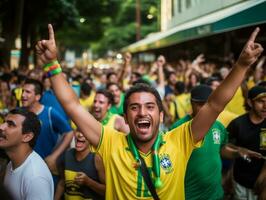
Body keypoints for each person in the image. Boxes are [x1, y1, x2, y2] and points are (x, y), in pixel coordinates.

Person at [36, 24, 263, 199]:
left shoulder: (180, 139)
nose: (142, 112)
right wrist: (52, 65)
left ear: (161, 116)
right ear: (126, 117)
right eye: (134, 107)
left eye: (150, 106)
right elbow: (73, 106)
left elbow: (214, 104)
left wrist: (242, 65)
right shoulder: (109, 141)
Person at [170, 84, 228, 200]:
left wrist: (238, 152)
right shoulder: (178, 128)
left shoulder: (219, 126)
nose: (205, 109)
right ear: (191, 103)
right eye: (200, 104)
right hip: (189, 195)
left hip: (215, 195)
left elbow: (222, 149)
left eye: (208, 105)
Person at [21, 78, 73, 176]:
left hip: (45, 168)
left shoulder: (49, 112)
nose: (23, 95)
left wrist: (54, 156)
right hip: (23, 167)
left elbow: (69, 132)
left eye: (27, 92)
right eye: (23, 91)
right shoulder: (19, 113)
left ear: (37, 96)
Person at [0, 108, 53, 199]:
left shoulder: (36, 178)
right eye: (4, 122)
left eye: (11, 124)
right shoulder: (12, 163)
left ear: (27, 137)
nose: (1, 127)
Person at [226, 85, 266, 200]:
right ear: (249, 102)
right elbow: (224, 146)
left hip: (261, 183)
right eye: (260, 102)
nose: (265, 106)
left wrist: (263, 176)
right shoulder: (238, 124)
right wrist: (230, 173)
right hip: (240, 180)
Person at [55, 129, 105, 200]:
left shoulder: (97, 158)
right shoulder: (67, 154)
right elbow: (62, 182)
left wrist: (89, 182)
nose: (80, 135)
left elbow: (106, 191)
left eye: (85, 132)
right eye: (78, 130)